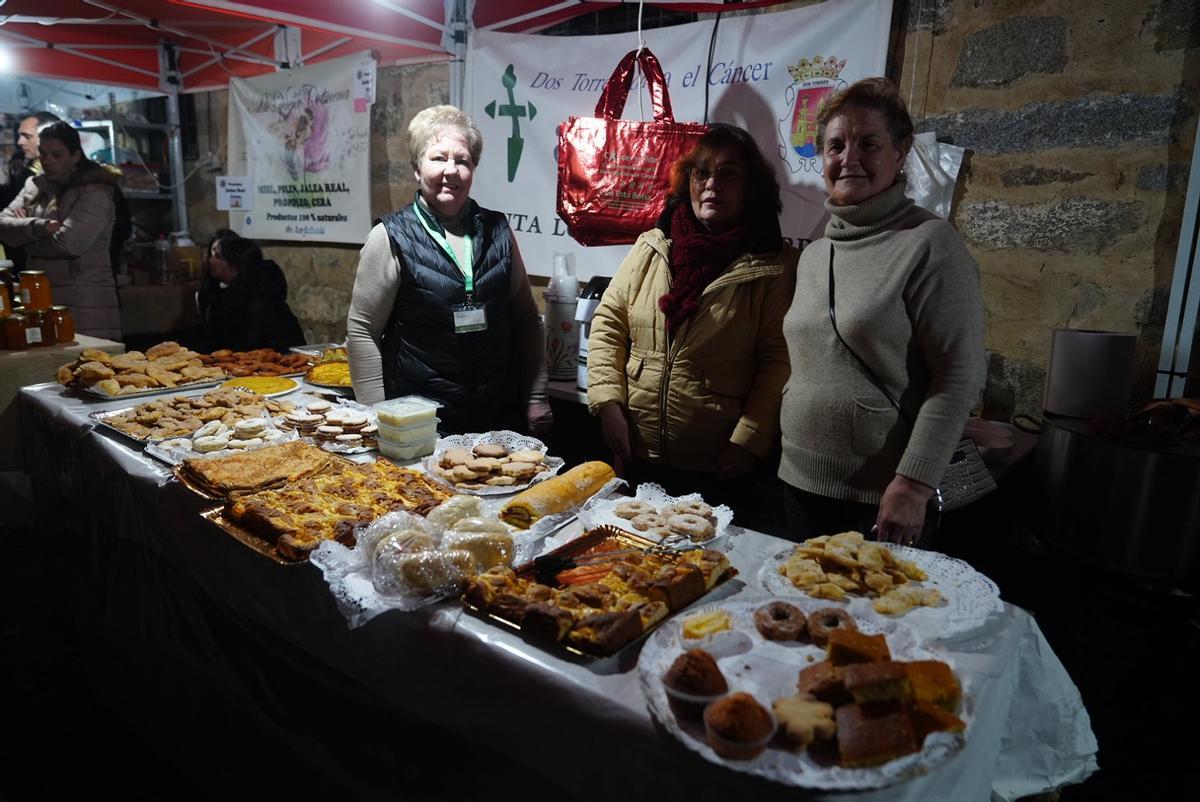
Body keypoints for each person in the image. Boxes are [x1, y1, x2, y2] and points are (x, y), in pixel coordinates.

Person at [779, 78, 986, 547]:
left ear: (901, 152)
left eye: (868, 143)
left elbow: (959, 375)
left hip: (882, 496)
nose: (848, 157)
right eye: (836, 145)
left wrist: (913, 484)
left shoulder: (930, 244)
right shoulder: (815, 252)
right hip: (798, 481)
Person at [586, 125, 797, 513]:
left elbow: (778, 363)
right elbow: (608, 325)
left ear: (751, 187)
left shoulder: (773, 267)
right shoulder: (653, 245)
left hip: (718, 468)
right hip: (638, 451)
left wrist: (748, 440)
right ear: (688, 181)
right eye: (701, 172)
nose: (712, 183)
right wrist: (608, 405)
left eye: (728, 173)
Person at [346, 105, 550, 436]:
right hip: (419, 422)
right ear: (416, 167)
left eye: (463, 160)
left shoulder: (498, 230)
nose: (451, 170)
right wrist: (377, 419)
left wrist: (536, 395)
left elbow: (526, 317)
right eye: (438, 158)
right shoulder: (390, 236)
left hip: (497, 415)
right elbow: (362, 332)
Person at [0, 122, 121, 340]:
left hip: (85, 300)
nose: (47, 161)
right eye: (43, 154)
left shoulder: (94, 190)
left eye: (57, 154)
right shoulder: (34, 186)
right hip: (41, 299)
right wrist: (39, 227)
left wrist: (25, 240)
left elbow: (69, 243)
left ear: (75, 156)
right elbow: (2, 225)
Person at [194, 231, 305, 352]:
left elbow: (247, 346)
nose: (211, 261)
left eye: (218, 257)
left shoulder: (258, 299)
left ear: (234, 265)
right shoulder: (227, 291)